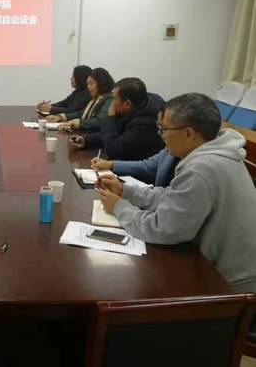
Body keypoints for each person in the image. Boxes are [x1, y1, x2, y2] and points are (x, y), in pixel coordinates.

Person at [98, 93, 256, 292]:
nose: (161, 135)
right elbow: (173, 197)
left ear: (189, 134)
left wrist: (119, 207)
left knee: (132, 285)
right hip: (220, 268)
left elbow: (162, 229)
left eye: (164, 129)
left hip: (228, 286)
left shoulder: (201, 169)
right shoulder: (217, 153)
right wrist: (125, 191)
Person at [68, 78, 165, 161]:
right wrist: (86, 140)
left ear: (127, 104)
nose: (112, 103)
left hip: (139, 171)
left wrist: (110, 117)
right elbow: (115, 132)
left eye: (114, 99)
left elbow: (113, 149)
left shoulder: (146, 122)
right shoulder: (138, 102)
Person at [50, 67, 114, 132]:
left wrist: (75, 122)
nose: (88, 87)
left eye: (91, 84)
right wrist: (60, 117)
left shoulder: (109, 99)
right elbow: (81, 113)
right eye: (87, 84)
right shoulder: (96, 98)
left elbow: (99, 120)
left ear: (101, 83)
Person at [91, 148, 178, 187]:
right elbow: (145, 166)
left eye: (164, 129)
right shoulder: (169, 149)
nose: (159, 133)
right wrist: (111, 164)